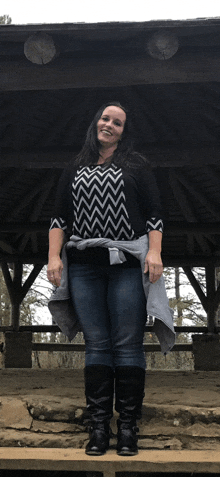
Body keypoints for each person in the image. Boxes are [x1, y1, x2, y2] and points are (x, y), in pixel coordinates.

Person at [47, 101, 164, 456]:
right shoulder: (74, 166)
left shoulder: (137, 165)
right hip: (83, 265)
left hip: (127, 264)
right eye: (105, 118)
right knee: (96, 344)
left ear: (124, 131)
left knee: (127, 344)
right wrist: (54, 256)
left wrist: (155, 252)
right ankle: (98, 428)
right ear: (96, 122)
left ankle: (128, 427)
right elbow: (59, 218)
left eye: (117, 122)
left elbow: (155, 214)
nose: (109, 125)